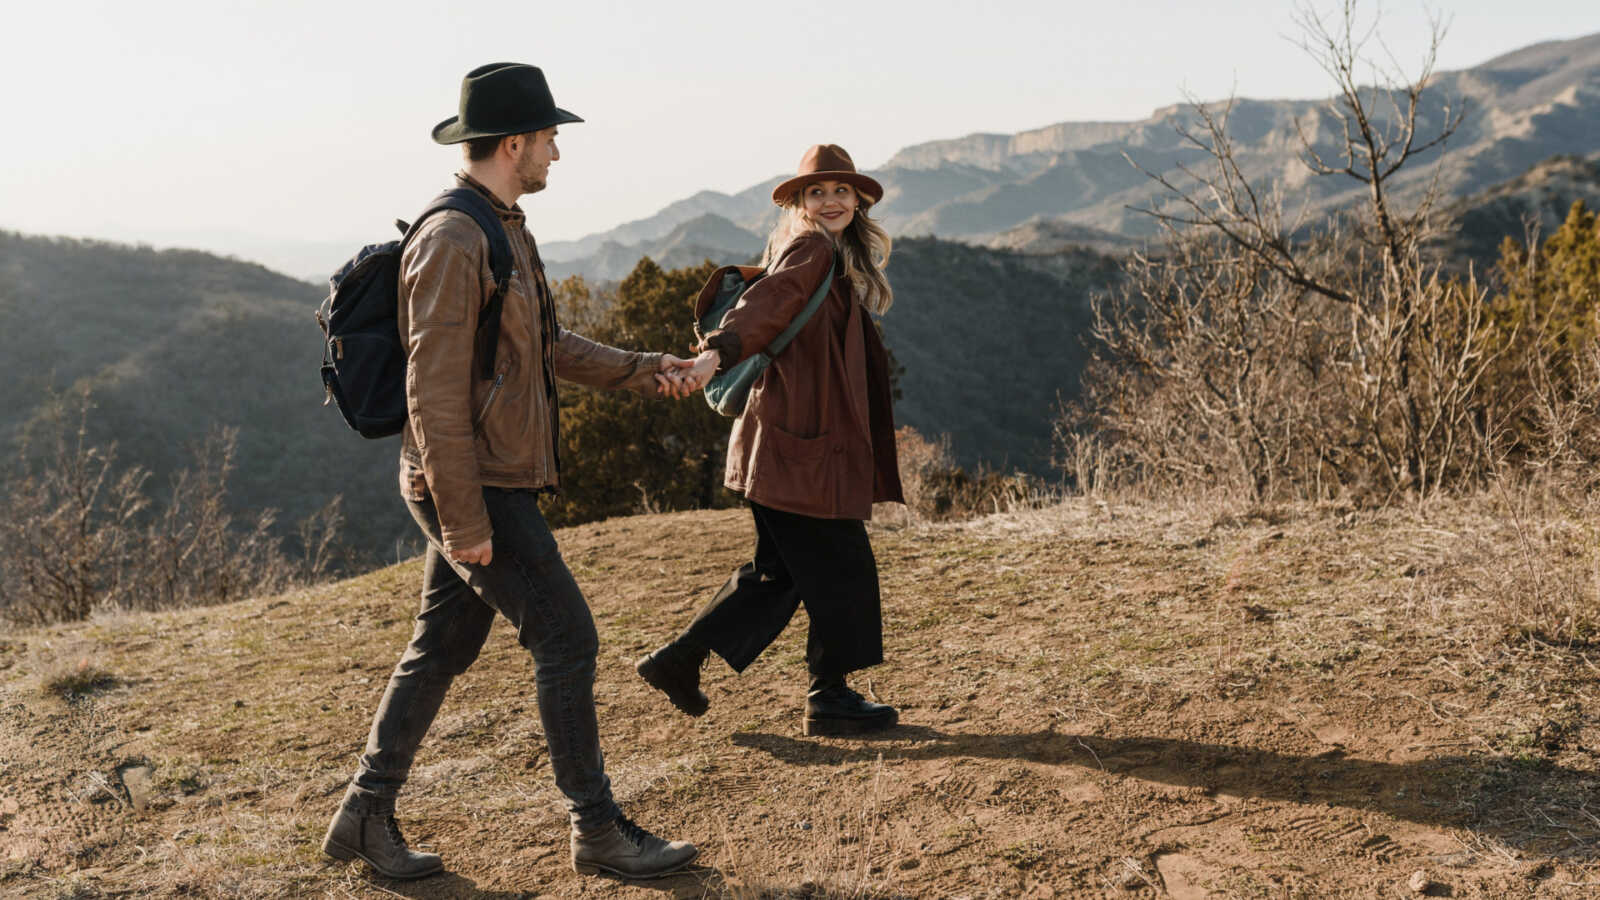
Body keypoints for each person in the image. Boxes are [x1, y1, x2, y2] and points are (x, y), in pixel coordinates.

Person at [321, 62, 700, 882]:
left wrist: (650, 368)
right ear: (515, 142)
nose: (558, 153)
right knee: (567, 637)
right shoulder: (455, 237)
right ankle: (596, 830)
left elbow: (550, 348)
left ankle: (363, 814)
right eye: (551, 138)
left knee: (441, 646)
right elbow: (431, 392)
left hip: (484, 477)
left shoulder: (503, 225)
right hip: (472, 483)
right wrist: (464, 520)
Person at [637, 144, 905, 737]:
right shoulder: (810, 248)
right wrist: (716, 355)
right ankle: (828, 697)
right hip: (798, 448)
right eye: (817, 192)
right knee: (842, 568)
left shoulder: (831, 254)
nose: (830, 200)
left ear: (857, 200)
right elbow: (767, 305)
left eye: (840, 191)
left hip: (792, 445)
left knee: (779, 574)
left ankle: (679, 660)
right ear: (801, 203)